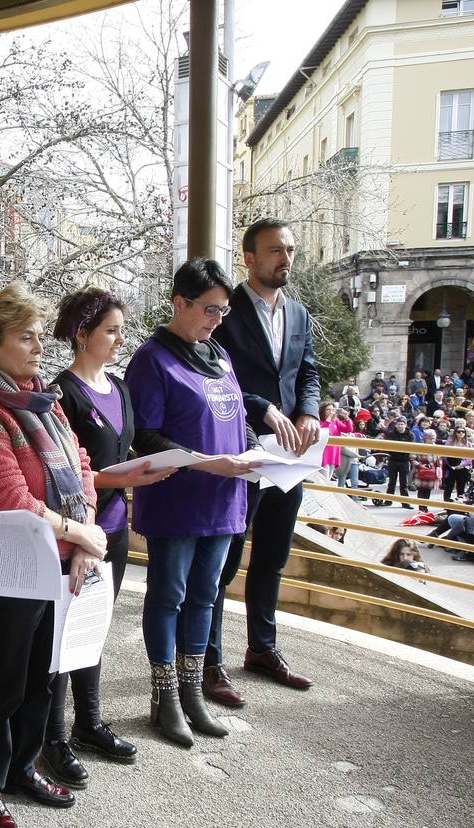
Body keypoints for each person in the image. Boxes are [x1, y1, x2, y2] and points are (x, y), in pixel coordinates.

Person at [0, 285, 95, 828]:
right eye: (25, 337)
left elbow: (82, 466)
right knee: (6, 682)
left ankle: (23, 767)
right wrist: (80, 530)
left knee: (44, 680)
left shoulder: (47, 401)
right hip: (14, 570)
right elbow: (12, 500)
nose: (39, 347)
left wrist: (83, 540)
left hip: (62, 564)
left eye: (40, 336)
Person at [128, 258, 259, 747]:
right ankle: (164, 697)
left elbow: (235, 418)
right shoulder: (153, 359)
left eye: (223, 312)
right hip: (177, 498)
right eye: (208, 309)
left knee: (206, 596)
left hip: (225, 497)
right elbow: (145, 435)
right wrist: (207, 462)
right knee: (169, 597)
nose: (216, 320)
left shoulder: (219, 355)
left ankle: (192, 690)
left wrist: (254, 451)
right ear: (179, 303)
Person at [45, 287, 170, 785]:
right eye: (111, 331)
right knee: (61, 635)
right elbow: (61, 475)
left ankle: (89, 723)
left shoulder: (118, 389)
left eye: (121, 330)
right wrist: (121, 479)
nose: (120, 340)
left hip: (113, 531)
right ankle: (53, 737)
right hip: (75, 533)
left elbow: (133, 444)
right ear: (83, 334)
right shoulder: (61, 394)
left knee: (92, 628)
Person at [203, 217, 319, 709]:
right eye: (275, 250)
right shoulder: (224, 313)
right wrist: (261, 406)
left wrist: (310, 410)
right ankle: (207, 660)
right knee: (224, 562)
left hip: (290, 459)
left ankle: (262, 649)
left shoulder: (298, 313)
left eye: (290, 250)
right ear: (249, 258)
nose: (285, 258)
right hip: (245, 452)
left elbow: (308, 370)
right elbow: (212, 374)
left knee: (271, 557)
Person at [384, 417, 415, 508]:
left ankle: (405, 502)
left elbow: (410, 447)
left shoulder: (410, 435)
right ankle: (388, 501)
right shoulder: (391, 434)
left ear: (405, 425)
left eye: (402, 424)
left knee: (404, 483)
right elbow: (388, 446)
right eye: (398, 424)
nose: (400, 426)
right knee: (391, 482)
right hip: (393, 460)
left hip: (404, 461)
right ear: (396, 425)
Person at [413, 430, 443, 511]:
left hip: (432, 472)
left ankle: (425, 507)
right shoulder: (419, 447)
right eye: (430, 438)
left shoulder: (437, 447)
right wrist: (420, 465)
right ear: (425, 438)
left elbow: (439, 460)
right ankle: (421, 507)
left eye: (433, 438)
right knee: (421, 490)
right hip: (421, 471)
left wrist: (438, 470)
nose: (432, 440)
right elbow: (412, 458)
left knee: (428, 490)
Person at [443, 427, 474, 502]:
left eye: (463, 432)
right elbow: (444, 455)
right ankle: (446, 503)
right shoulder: (449, 442)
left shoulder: (468, 444)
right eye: (458, 432)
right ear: (455, 433)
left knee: (461, 487)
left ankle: (460, 503)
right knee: (448, 487)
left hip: (463, 468)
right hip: (451, 467)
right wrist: (451, 465)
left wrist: (461, 465)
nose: (461, 433)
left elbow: (470, 458)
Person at [319, 402, 343, 479]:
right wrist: (329, 418)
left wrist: (347, 418)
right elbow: (322, 429)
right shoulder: (319, 420)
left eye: (332, 409)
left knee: (329, 477)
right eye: (328, 409)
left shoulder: (336, 421)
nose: (330, 411)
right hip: (324, 452)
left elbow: (348, 429)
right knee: (324, 477)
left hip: (334, 452)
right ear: (323, 411)